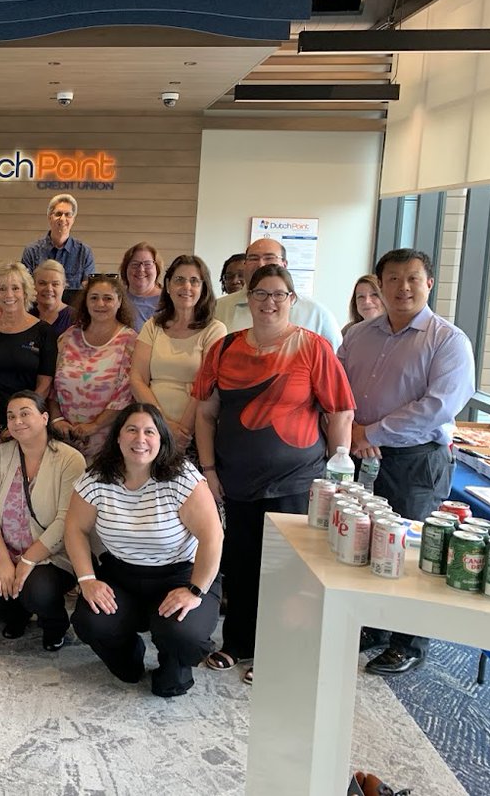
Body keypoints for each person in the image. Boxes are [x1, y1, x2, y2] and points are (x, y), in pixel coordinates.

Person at [193, 264, 355, 684]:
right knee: (241, 564)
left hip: (296, 481)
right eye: (261, 294)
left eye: (279, 294)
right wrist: (208, 470)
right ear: (249, 299)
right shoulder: (224, 349)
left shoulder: (313, 348)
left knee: (287, 570)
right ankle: (238, 642)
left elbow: (340, 412)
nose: (269, 302)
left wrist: (338, 473)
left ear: (292, 300)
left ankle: (279, 652)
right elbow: (206, 416)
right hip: (236, 478)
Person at [339, 248, 475, 676]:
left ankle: (409, 642)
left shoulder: (448, 340)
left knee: (412, 549)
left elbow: (437, 407)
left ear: (429, 283)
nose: (403, 287)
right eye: (393, 279)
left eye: (413, 278)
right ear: (380, 285)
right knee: (366, 541)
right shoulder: (360, 335)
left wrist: (370, 432)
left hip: (417, 461)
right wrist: (352, 433)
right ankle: (376, 627)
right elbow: (338, 386)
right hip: (363, 456)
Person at [64, 404, 224, 697]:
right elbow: (74, 528)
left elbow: (212, 536)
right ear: (118, 438)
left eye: (150, 431)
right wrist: (87, 580)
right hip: (122, 574)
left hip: (181, 574)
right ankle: (129, 655)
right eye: (132, 430)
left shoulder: (182, 477)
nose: (141, 439)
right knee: (91, 621)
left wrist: (195, 590)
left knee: (183, 638)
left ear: (161, 439)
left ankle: (173, 667)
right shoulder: (97, 477)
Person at [0, 391, 85, 650]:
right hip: (6, 547)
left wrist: (29, 559)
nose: (17, 420)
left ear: (44, 418)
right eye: (11, 416)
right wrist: (2, 561)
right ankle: (15, 614)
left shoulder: (69, 459)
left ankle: (54, 624)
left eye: (25, 413)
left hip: (51, 553)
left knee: (37, 592)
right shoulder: (0, 455)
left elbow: (67, 519)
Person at [130, 256, 227, 452]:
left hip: (193, 434)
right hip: (150, 429)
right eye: (179, 280)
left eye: (194, 281)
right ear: (167, 285)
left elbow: (205, 385)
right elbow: (137, 378)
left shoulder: (215, 330)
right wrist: (162, 424)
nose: (186, 287)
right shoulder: (153, 325)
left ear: (203, 288)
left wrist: (183, 431)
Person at [0, 262, 57, 444]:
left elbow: (45, 384)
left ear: (25, 292)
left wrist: (19, 421)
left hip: (24, 425)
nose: (9, 295)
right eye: (2, 289)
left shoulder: (44, 332)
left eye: (15, 288)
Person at [49, 274, 137, 458]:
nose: (100, 304)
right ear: (86, 302)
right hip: (66, 438)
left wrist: (95, 426)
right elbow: (52, 383)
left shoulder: (129, 340)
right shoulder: (69, 336)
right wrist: (57, 419)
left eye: (108, 298)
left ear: (119, 301)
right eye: (94, 298)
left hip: (108, 443)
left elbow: (125, 394)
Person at [212, 237, 342, 348]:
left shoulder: (316, 314)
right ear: (245, 264)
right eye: (253, 258)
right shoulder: (218, 309)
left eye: (269, 257)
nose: (261, 264)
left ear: (284, 264)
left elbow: (335, 364)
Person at [20, 194, 95, 288]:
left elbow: (87, 290)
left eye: (68, 214)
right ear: (49, 217)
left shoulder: (84, 252)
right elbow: (26, 289)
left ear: (73, 220)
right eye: (58, 214)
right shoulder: (31, 251)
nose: (63, 219)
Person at [120, 242, 164, 332]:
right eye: (135, 264)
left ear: (157, 268)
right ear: (125, 269)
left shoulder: (169, 301)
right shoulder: (116, 298)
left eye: (147, 264)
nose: (141, 269)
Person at [29, 259, 73, 336]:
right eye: (42, 283)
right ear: (34, 286)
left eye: (55, 284)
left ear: (64, 286)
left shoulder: (76, 318)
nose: (49, 289)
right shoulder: (26, 314)